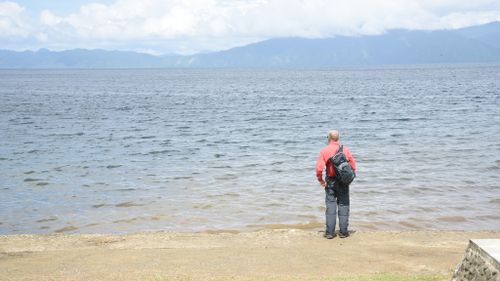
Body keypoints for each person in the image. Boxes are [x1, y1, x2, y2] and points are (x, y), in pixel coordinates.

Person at [315, 130, 356, 239]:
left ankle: (329, 233)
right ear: (338, 138)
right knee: (344, 205)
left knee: (331, 206)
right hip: (343, 182)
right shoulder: (345, 150)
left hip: (331, 181)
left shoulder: (324, 151)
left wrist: (320, 180)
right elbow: (353, 166)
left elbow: (319, 169)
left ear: (328, 138)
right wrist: (348, 179)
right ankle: (343, 232)